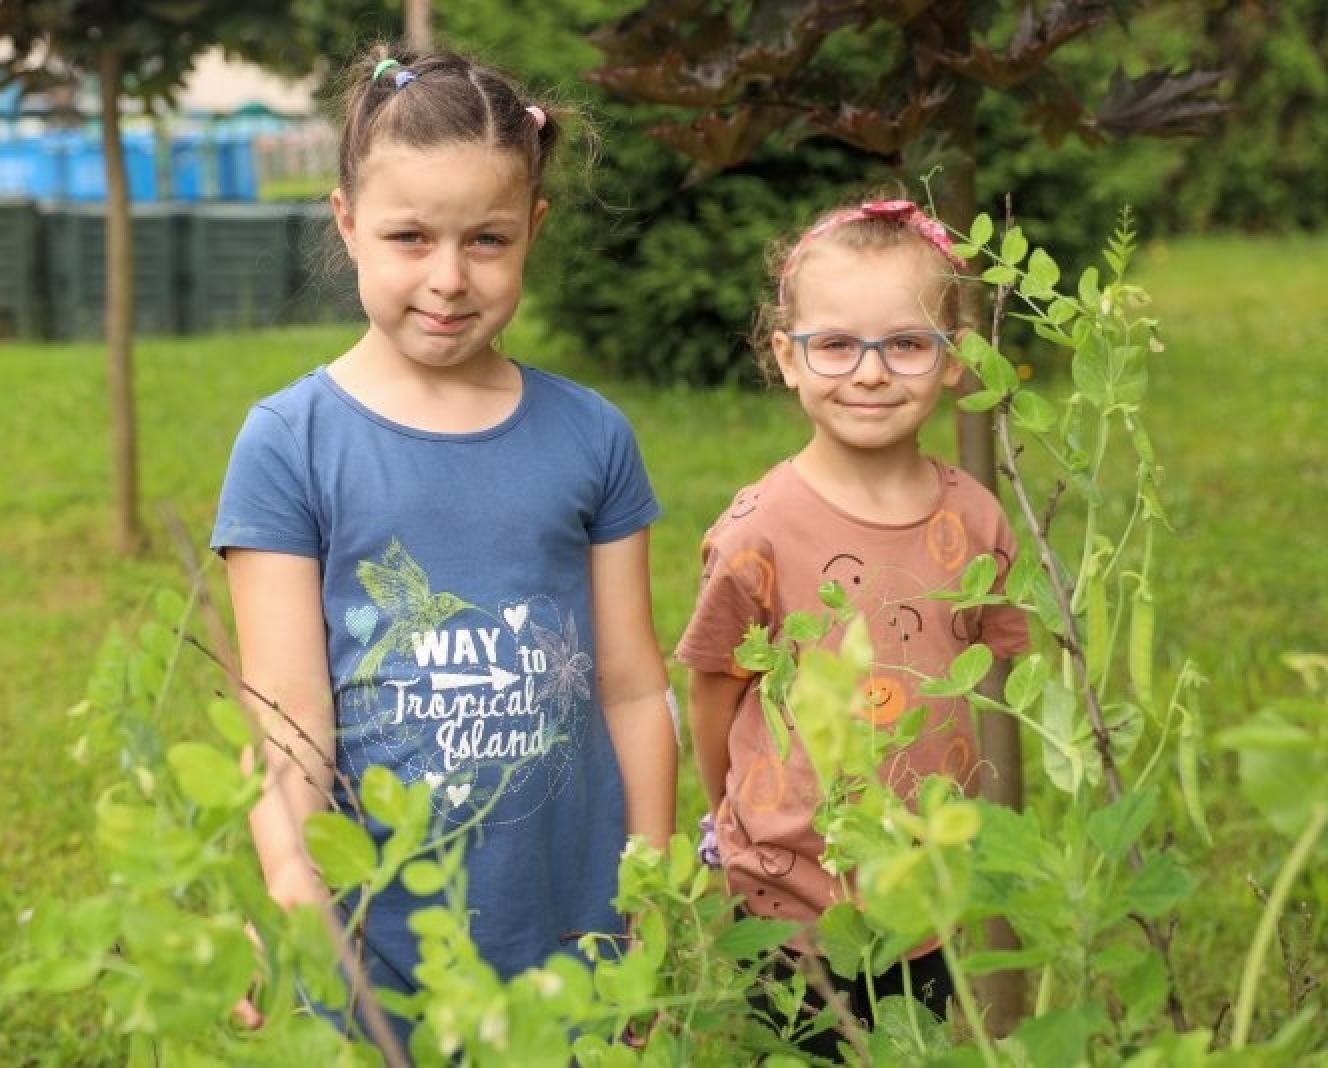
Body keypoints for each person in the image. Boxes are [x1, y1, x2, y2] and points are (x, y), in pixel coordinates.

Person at [211, 46, 678, 1036]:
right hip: (375, 939)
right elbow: (286, 712)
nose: (448, 279)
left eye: (487, 240)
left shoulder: (592, 436)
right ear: (346, 221)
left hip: (568, 935)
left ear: (533, 231)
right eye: (410, 237)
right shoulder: (290, 443)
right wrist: (292, 890)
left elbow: (632, 685)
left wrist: (652, 889)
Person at [674, 198, 1029, 1057]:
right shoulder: (757, 529)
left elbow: (1003, 683)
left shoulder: (976, 519)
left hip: (922, 890)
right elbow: (714, 688)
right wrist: (729, 815)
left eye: (906, 344)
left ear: (951, 362)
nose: (870, 372)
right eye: (835, 345)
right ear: (785, 358)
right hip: (788, 900)